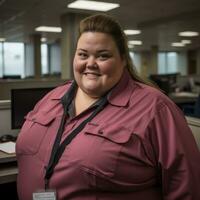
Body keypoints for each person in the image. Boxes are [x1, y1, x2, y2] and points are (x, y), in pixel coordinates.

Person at [16, 14, 200, 200]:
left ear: (123, 60)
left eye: (103, 56)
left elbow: (187, 188)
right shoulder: (53, 97)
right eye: (83, 54)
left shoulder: (156, 109)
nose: (90, 63)